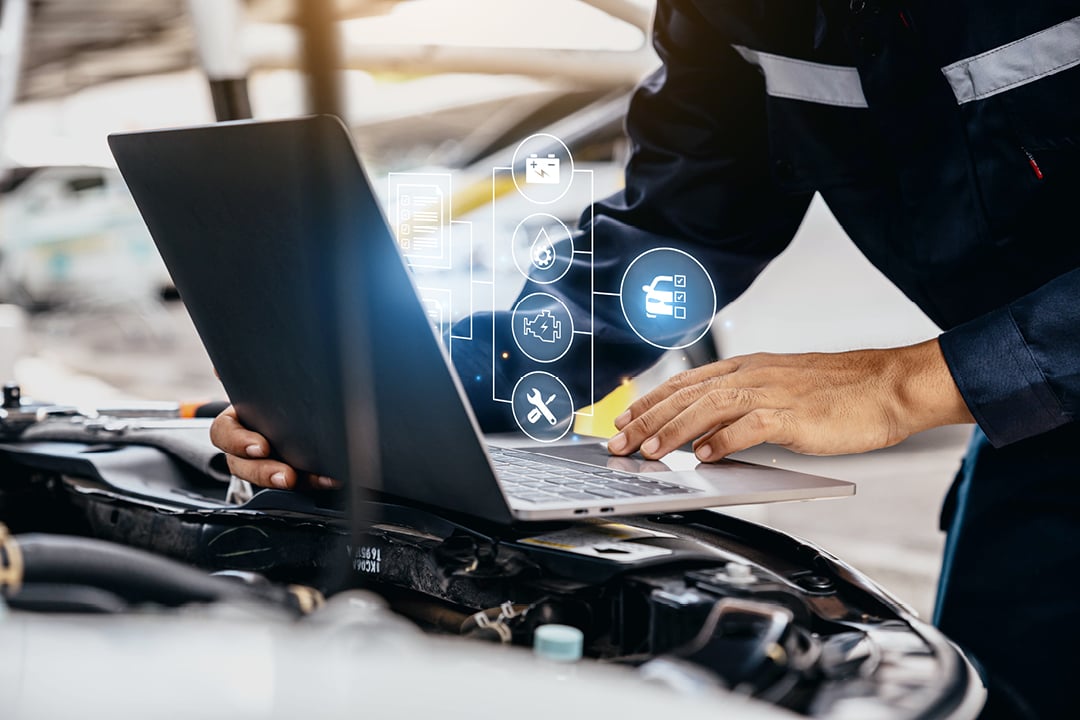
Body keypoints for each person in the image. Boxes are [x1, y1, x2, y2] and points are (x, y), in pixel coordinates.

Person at [212, 2, 1080, 716]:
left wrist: (909, 382)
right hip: (1043, 437)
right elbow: (681, 222)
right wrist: (394, 398)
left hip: (1020, 390)